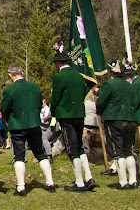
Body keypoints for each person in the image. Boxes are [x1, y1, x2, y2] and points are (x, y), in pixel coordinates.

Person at [1, 62, 55, 196]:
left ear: (10, 74)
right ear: (22, 73)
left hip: (17, 125)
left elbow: (3, 109)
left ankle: (21, 187)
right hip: (34, 124)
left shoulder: (9, 90)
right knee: (40, 153)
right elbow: (39, 105)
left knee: (19, 156)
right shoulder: (35, 88)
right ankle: (50, 183)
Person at [50, 47, 95, 192]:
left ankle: (80, 182)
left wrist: (53, 111)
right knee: (79, 146)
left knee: (71, 149)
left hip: (66, 114)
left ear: (57, 63)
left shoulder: (58, 78)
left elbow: (55, 98)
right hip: (79, 114)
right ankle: (88, 177)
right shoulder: (79, 76)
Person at [96, 60, 137, 190]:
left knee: (119, 153)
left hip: (114, 120)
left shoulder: (109, 84)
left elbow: (101, 102)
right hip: (130, 119)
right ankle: (133, 180)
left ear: (110, 71)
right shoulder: (129, 85)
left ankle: (123, 181)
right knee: (128, 151)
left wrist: (100, 110)